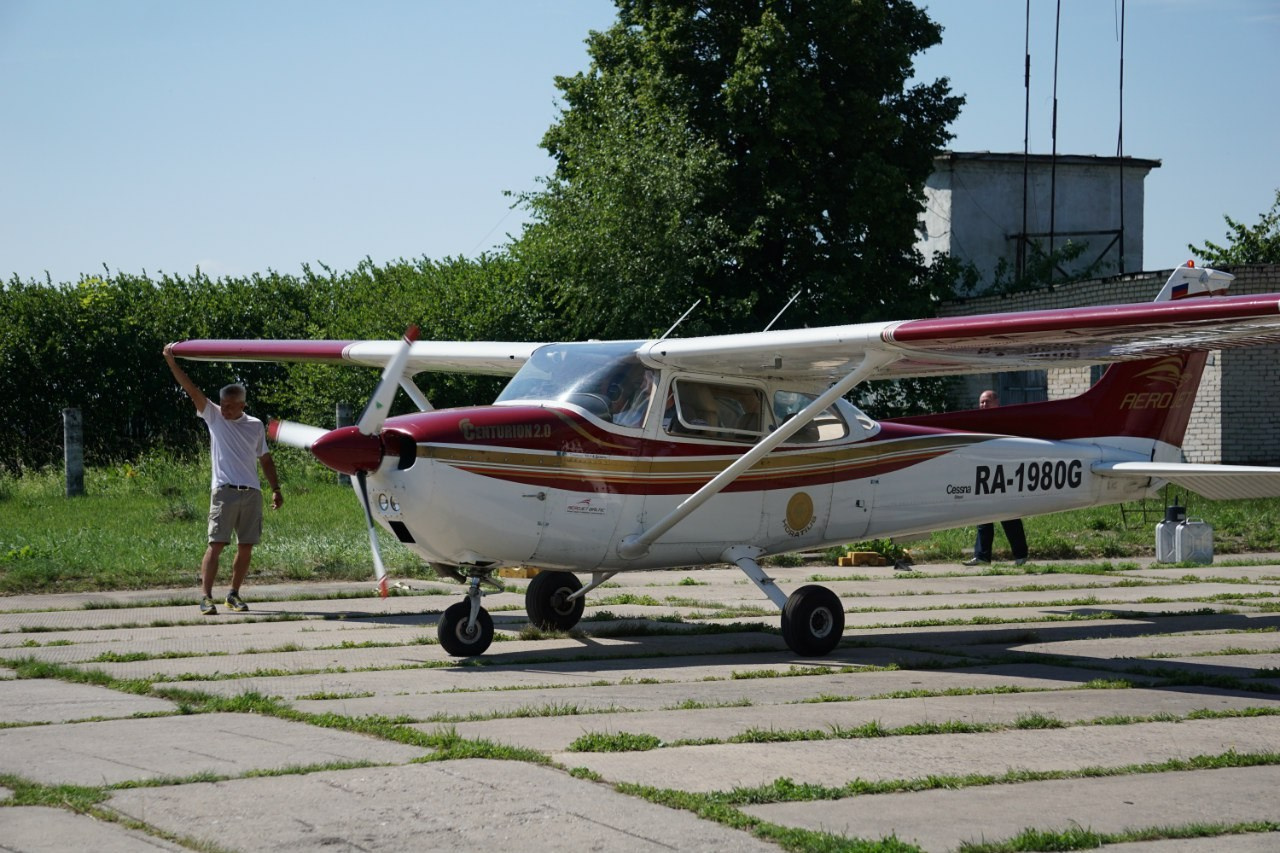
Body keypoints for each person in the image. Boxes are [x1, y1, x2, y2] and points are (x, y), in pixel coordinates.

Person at [164, 344, 283, 614]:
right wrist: (172, 363)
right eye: (224, 405)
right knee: (216, 544)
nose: (226, 410)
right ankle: (206, 597)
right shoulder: (213, 416)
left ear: (243, 404)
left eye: (231, 406)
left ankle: (233, 594)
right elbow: (191, 390)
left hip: (251, 492)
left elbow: (265, 458)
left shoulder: (254, 425)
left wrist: (276, 489)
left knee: (246, 547)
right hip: (224, 491)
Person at [963, 389, 1030, 567]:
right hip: (984, 476)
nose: (984, 405)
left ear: (996, 403)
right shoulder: (977, 423)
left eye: (987, 401)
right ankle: (982, 556)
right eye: (982, 402)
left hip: (1003, 475)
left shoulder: (1004, 420)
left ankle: (1021, 556)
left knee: (1009, 516)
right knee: (983, 516)